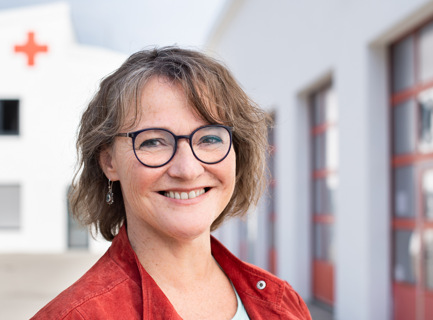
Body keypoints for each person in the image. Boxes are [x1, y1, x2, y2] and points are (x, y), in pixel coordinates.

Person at [32, 47, 311, 320]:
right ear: (109, 162)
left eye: (210, 138)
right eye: (153, 141)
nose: (188, 169)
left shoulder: (284, 303)